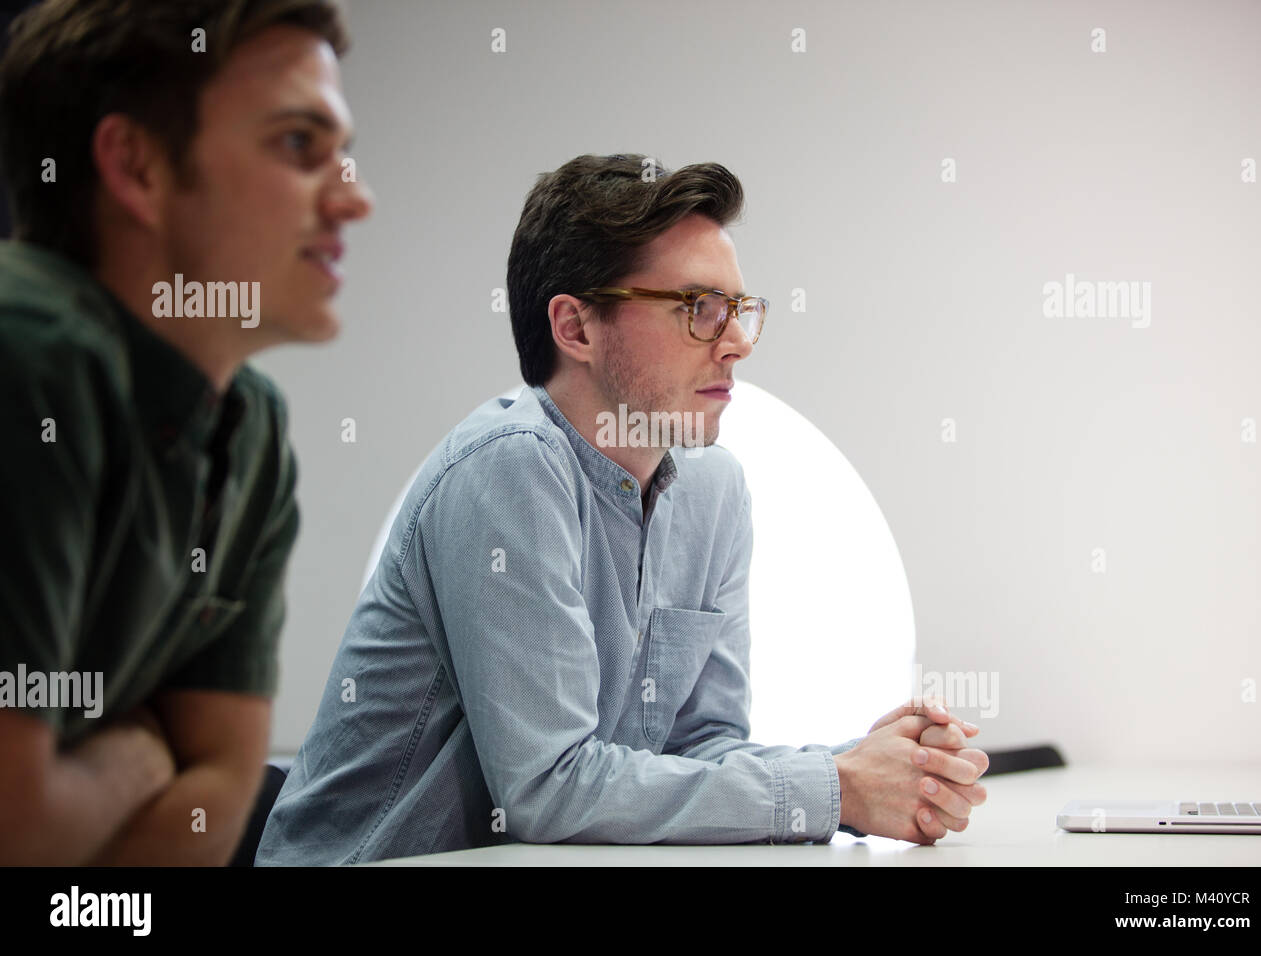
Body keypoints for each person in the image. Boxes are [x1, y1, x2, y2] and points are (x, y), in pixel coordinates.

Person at [256, 154, 986, 865]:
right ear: (575, 328)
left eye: (739, 311)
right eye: (698, 309)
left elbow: (695, 751)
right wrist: (837, 789)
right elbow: (547, 788)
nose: (735, 344)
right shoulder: (509, 466)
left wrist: (865, 768)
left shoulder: (714, 490)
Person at [0, 0, 372, 865]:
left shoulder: (252, 432)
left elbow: (215, 803)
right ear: (137, 167)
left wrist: (84, 799)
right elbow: (17, 826)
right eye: (297, 144)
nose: (355, 196)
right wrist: (140, 753)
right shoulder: (30, 355)